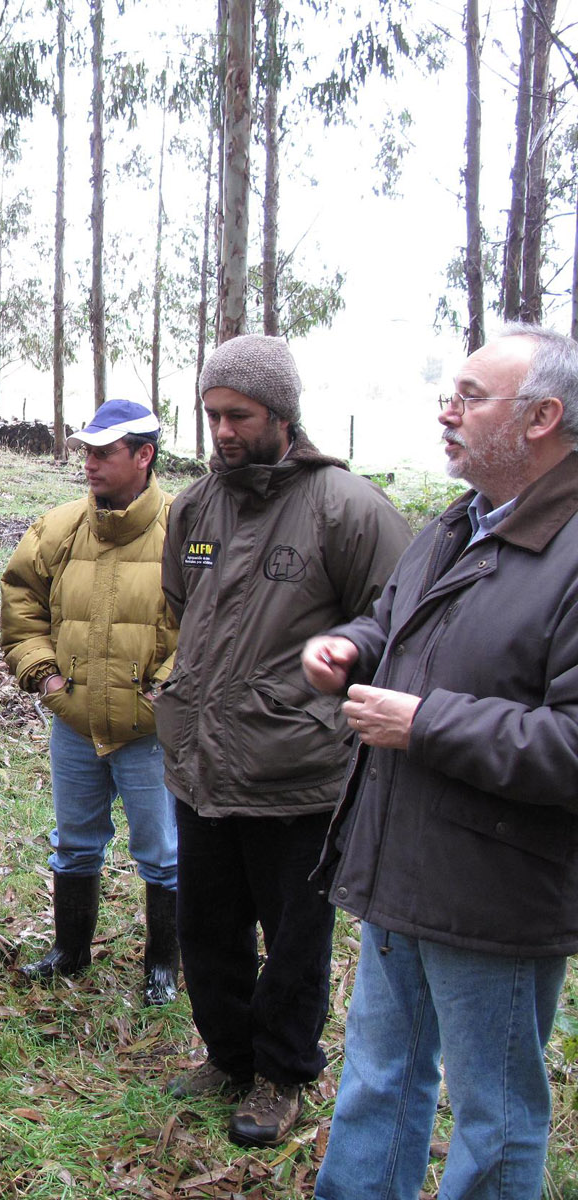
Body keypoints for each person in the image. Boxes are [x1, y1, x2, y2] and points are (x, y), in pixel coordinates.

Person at [305, 325, 578, 1199]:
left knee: (495, 1118)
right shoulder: (455, 523)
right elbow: (393, 623)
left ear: (543, 417)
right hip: (401, 863)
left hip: (498, 892)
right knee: (378, 1080)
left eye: (470, 395)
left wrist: (425, 724)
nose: (446, 410)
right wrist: (346, 645)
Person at [154, 334, 410, 1147]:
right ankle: (228, 1055)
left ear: (283, 415)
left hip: (295, 770)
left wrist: (322, 693)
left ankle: (282, 1074)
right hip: (200, 762)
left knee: (294, 937)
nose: (223, 431)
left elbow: (396, 624)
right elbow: (181, 598)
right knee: (205, 927)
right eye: (212, 414)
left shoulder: (348, 508)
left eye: (240, 415)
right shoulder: (197, 507)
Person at [0, 399, 179, 1006]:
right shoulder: (58, 529)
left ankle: (162, 966)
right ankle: (70, 951)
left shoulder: (185, 533)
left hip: (152, 732)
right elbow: (21, 600)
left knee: (163, 853)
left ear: (144, 455)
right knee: (74, 841)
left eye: (104, 453)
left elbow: (213, 620)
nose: (90, 464)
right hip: (74, 724)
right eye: (87, 451)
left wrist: (165, 691)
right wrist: (45, 677)